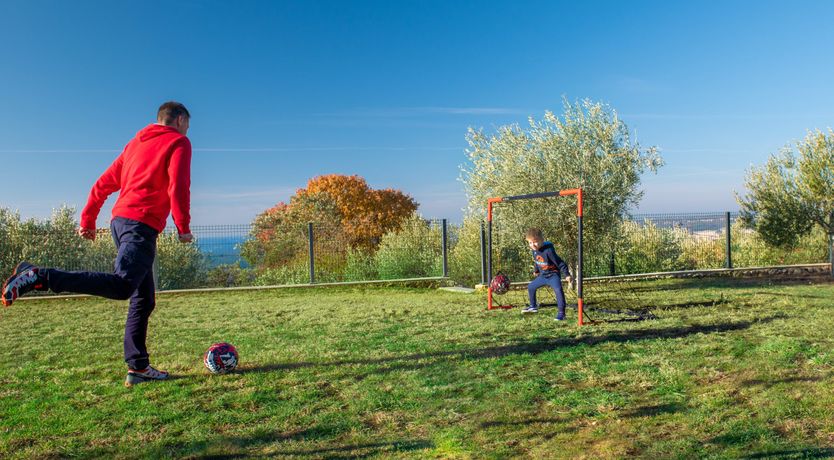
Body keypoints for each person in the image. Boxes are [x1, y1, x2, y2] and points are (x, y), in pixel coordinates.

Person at [1, 101, 194, 387]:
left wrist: (88, 219)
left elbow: (104, 182)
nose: (188, 129)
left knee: (144, 298)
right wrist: (183, 227)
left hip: (120, 222)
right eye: (188, 124)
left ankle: (138, 366)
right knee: (122, 287)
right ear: (179, 119)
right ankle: (40, 276)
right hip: (141, 224)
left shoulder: (135, 144)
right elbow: (178, 185)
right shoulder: (179, 142)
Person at [522, 228, 572, 320]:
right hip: (543, 276)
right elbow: (537, 260)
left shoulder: (549, 251)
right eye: (530, 243)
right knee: (531, 287)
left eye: (535, 242)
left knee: (558, 290)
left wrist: (567, 274)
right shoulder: (534, 250)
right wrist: (536, 270)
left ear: (542, 240)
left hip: (553, 275)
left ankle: (562, 314)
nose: (533, 245)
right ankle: (533, 306)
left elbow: (560, 262)